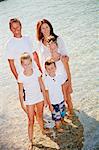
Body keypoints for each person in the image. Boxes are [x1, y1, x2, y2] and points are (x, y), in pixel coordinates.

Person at [18, 53, 49, 150]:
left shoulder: (36, 72)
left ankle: (42, 130)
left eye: (28, 64)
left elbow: (42, 86)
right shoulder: (21, 76)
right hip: (29, 100)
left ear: (32, 63)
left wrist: (46, 99)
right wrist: (22, 104)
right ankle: (30, 141)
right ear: (22, 65)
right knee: (30, 120)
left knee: (40, 115)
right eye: (25, 64)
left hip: (39, 98)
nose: (27, 66)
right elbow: (20, 92)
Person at [47, 36, 73, 116]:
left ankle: (72, 114)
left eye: (54, 48)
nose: (52, 50)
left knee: (68, 99)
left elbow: (68, 71)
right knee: (61, 102)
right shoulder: (49, 60)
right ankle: (62, 117)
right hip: (57, 85)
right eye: (51, 49)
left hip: (65, 82)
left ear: (57, 47)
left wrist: (70, 84)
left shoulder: (62, 57)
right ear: (48, 48)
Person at [44, 59, 68, 132]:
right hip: (53, 102)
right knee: (56, 117)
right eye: (48, 69)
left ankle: (63, 120)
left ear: (55, 67)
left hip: (61, 99)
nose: (50, 70)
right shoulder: (46, 80)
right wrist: (49, 104)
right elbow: (46, 93)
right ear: (46, 70)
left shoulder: (59, 76)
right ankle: (58, 127)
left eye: (52, 68)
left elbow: (63, 87)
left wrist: (65, 96)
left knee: (62, 112)